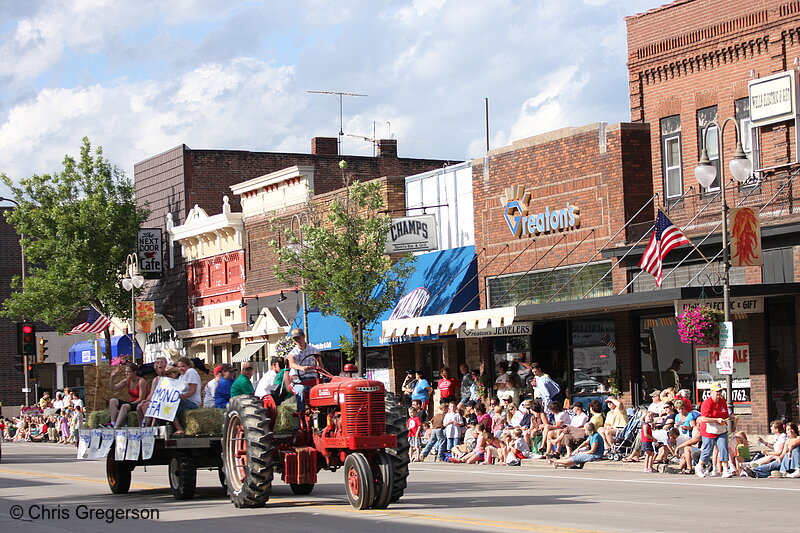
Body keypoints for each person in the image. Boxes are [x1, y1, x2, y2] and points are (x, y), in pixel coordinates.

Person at [695, 382, 734, 478]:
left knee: (723, 447)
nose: (718, 394)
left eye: (720, 392)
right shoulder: (706, 403)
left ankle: (725, 469)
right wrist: (716, 419)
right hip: (709, 429)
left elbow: (724, 414)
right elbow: (703, 418)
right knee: (708, 450)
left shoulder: (722, 402)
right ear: (711, 392)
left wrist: (730, 417)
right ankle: (699, 466)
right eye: (717, 392)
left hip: (721, 429)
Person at [287, 328, 322, 412]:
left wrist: (318, 363)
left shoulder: (314, 350)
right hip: (299, 379)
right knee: (301, 390)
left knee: (323, 390)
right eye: (295, 339)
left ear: (304, 337)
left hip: (313, 378)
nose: (297, 340)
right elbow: (291, 364)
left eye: (299, 338)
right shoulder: (293, 353)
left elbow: (321, 365)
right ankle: (301, 413)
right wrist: (301, 367)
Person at [108, 363, 148, 428]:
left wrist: (131, 404)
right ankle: (112, 423)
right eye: (125, 371)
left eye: (128, 371)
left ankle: (116, 427)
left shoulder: (141, 381)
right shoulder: (127, 381)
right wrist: (112, 377)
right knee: (113, 401)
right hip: (131, 403)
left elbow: (141, 398)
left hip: (139, 403)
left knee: (125, 406)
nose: (126, 373)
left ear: (134, 372)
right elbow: (113, 388)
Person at [138, 356, 167, 425]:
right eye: (158, 363)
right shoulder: (156, 379)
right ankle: (141, 426)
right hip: (155, 399)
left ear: (166, 364)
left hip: (164, 400)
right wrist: (146, 400)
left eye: (162, 363)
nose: (160, 364)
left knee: (147, 406)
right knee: (140, 406)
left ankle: (147, 426)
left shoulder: (168, 376)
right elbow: (152, 393)